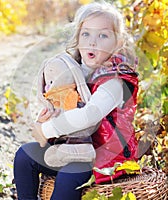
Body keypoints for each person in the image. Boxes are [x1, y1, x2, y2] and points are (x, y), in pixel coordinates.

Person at [13, 1, 139, 200]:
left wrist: (47, 130)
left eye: (103, 35)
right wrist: (44, 120)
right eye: (86, 34)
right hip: (72, 147)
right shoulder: (75, 72)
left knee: (68, 176)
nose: (92, 42)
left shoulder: (115, 80)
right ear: (78, 38)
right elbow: (61, 105)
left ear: (117, 43)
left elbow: (89, 115)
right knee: (24, 156)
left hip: (103, 156)